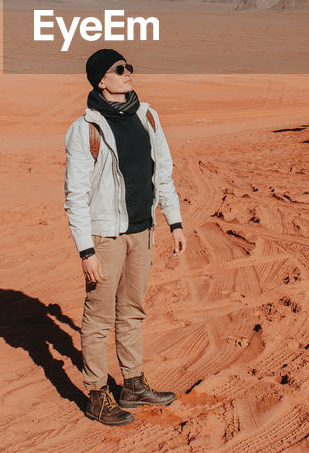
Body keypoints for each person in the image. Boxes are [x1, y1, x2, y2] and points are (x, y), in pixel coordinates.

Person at [64, 48, 187, 426]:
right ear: (101, 80)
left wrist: (174, 220)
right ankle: (97, 394)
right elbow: (75, 195)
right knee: (98, 318)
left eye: (129, 66)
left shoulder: (148, 116)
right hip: (106, 236)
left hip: (142, 231)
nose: (128, 72)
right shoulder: (86, 129)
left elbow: (162, 171)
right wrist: (87, 250)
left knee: (132, 311)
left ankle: (132, 383)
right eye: (119, 69)